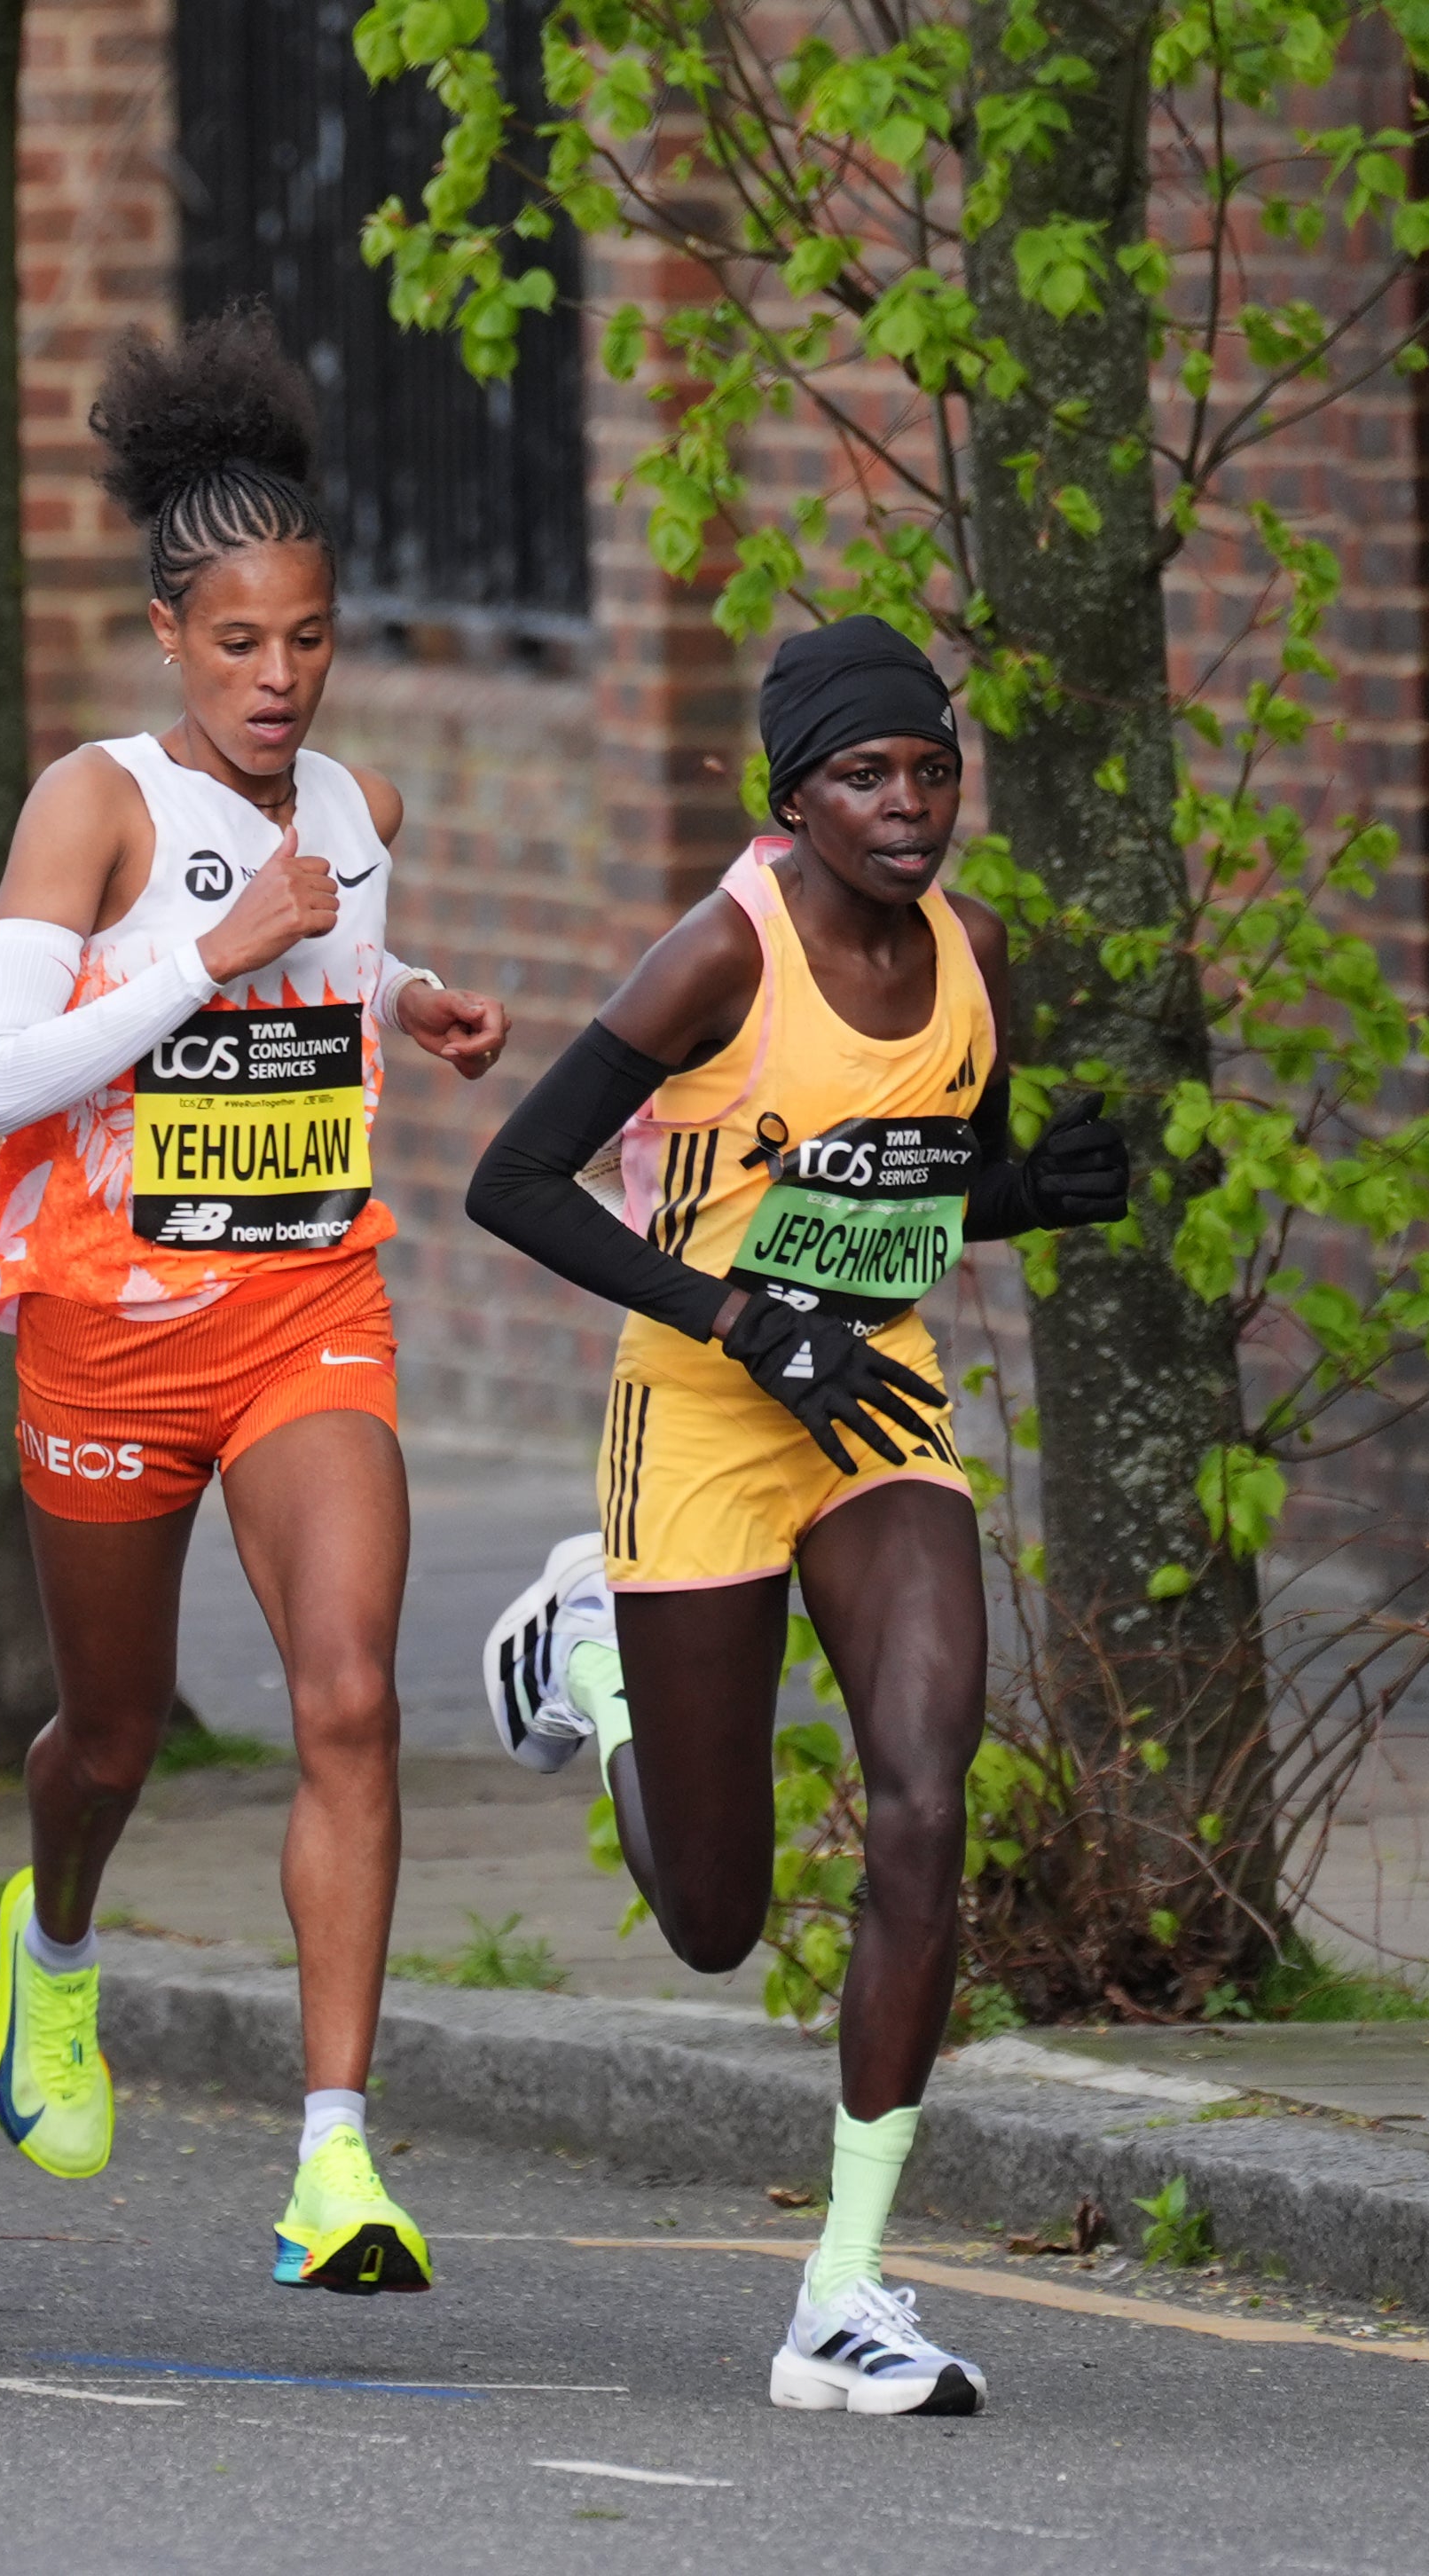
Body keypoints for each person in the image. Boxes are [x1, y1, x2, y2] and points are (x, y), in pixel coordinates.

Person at [463, 615, 1131, 2417]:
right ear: (794, 800)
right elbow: (508, 1182)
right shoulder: (716, 961)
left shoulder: (975, 956)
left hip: (872, 1412)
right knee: (712, 1916)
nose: (905, 806)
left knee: (925, 1804)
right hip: (694, 1413)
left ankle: (844, 2288)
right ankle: (589, 1657)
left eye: (929, 771)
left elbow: (910, 1188)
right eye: (863, 775)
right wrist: (739, 1320)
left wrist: (1022, 1198)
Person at [0, 309, 508, 2295]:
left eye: (308, 640)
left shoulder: (349, 811)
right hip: (110, 1332)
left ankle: (333, 2157)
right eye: (239, 645)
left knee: (346, 1695)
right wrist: (219, 946)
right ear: (169, 640)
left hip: (304, 1314)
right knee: (102, 1741)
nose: (280, 681)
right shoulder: (93, 804)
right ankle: (59, 1945)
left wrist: (397, 991)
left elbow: (320, 971)